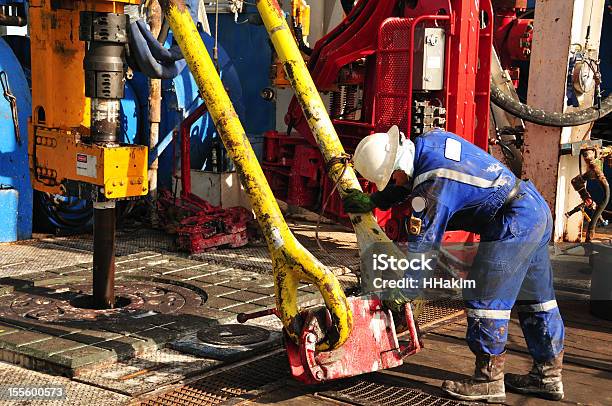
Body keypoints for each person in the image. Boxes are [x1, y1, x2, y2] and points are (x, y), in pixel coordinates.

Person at [342, 126, 565, 403]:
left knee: (485, 297)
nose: (394, 184)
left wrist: (405, 292)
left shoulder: (433, 189)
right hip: (533, 209)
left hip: (512, 224)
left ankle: (489, 381)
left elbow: (424, 249)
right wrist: (374, 201)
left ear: (396, 167)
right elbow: (412, 178)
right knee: (537, 299)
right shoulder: (428, 142)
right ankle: (548, 376)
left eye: (391, 179)